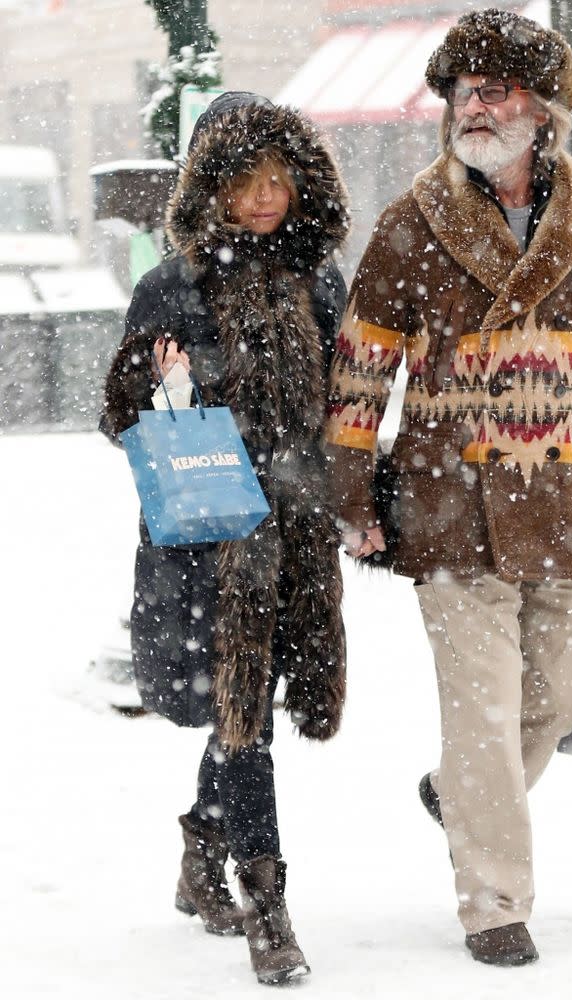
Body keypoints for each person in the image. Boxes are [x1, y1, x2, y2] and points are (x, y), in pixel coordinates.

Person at [323, 9, 572, 967]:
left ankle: (460, 794)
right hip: (449, 502)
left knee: (550, 704)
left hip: (567, 500)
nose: (476, 108)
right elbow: (360, 370)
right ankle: (494, 902)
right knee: (477, 713)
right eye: (463, 92)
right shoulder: (410, 222)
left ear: (543, 110)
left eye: (498, 90)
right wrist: (350, 491)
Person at [101, 91, 349, 986]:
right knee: (244, 722)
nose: (264, 198)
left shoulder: (318, 277)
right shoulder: (172, 283)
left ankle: (203, 843)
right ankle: (267, 906)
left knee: (258, 701)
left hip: (297, 525)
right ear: (213, 185)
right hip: (211, 532)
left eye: (279, 180)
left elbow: (346, 399)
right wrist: (161, 386)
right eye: (246, 181)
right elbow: (123, 416)